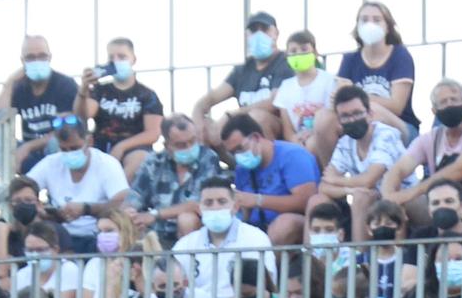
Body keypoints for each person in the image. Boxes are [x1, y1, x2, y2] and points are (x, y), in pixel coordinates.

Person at [379, 81, 462, 227]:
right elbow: (399, 169)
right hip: (438, 200)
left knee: (461, 205)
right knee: (398, 207)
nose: (449, 105)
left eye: (454, 100)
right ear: (434, 111)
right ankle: (400, 249)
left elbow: (460, 169)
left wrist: (410, 193)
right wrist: (389, 197)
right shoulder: (430, 138)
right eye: (443, 102)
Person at [193, 12, 295, 150]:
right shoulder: (242, 70)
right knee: (207, 126)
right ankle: (230, 165)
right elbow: (209, 99)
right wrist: (198, 121)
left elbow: (274, 103)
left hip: (278, 129)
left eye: (264, 29)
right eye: (253, 30)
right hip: (242, 133)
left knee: (258, 118)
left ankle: (270, 166)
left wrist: (233, 114)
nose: (259, 35)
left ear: (275, 33)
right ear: (247, 35)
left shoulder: (285, 63)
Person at [26, 121, 130, 254]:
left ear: (89, 141)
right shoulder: (50, 163)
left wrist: (86, 209)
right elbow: (24, 186)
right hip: (59, 235)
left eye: (75, 148)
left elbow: (122, 202)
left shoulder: (107, 164)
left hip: (96, 235)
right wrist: (36, 206)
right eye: (64, 149)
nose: (69, 153)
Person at [313, 87, 403, 238]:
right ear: (339, 121)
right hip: (369, 199)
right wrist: (349, 191)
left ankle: (359, 256)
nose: (352, 120)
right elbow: (323, 187)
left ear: (370, 114)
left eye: (357, 113)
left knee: (362, 196)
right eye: (345, 116)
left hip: (402, 198)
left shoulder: (386, 134)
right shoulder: (345, 143)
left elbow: (369, 179)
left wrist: (337, 180)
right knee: (321, 199)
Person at [221, 112, 319, 246]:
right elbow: (244, 210)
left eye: (240, 148)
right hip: (256, 227)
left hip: (295, 223)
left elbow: (306, 201)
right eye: (233, 153)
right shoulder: (242, 169)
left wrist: (258, 200)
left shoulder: (292, 156)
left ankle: (268, 266)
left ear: (256, 137)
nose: (238, 156)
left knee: (283, 225)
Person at [129, 115, 228, 244]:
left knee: (186, 219)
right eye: (181, 145)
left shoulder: (208, 158)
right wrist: (130, 212)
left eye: (192, 141)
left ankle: (190, 262)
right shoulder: (153, 163)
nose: (189, 147)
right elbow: (134, 196)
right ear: (167, 145)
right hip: (156, 232)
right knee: (127, 222)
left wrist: (154, 215)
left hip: (195, 231)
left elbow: (196, 205)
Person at [0, 34, 82, 178]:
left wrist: (28, 147)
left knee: (55, 142)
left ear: (50, 57)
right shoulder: (19, 86)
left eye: (42, 56)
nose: (37, 61)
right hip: (28, 152)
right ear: (22, 61)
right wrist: (9, 83)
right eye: (30, 57)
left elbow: (67, 130)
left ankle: (57, 195)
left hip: (56, 149)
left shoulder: (65, 84)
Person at [79, 38, 164, 179]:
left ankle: (118, 195)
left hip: (134, 148)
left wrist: (122, 146)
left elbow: (153, 133)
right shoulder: (100, 90)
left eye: (122, 57)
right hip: (100, 147)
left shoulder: (147, 94)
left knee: (139, 159)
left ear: (133, 59)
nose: (116, 61)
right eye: (111, 58)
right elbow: (84, 114)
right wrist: (83, 89)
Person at [333, 1, 417, 137]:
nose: (370, 24)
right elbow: (340, 101)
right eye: (364, 20)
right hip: (355, 122)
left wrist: (357, 95)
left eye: (377, 20)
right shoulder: (349, 59)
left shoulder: (400, 56)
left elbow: (396, 107)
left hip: (401, 126)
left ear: (388, 27)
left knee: (372, 112)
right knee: (325, 119)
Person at [270, 30, 338, 157]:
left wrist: (313, 134)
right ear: (287, 56)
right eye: (293, 51)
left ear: (315, 52)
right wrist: (294, 140)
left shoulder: (329, 81)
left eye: (304, 49)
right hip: (298, 141)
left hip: (323, 138)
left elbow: (331, 117)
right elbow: (287, 128)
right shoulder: (285, 87)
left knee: (312, 144)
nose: (299, 54)